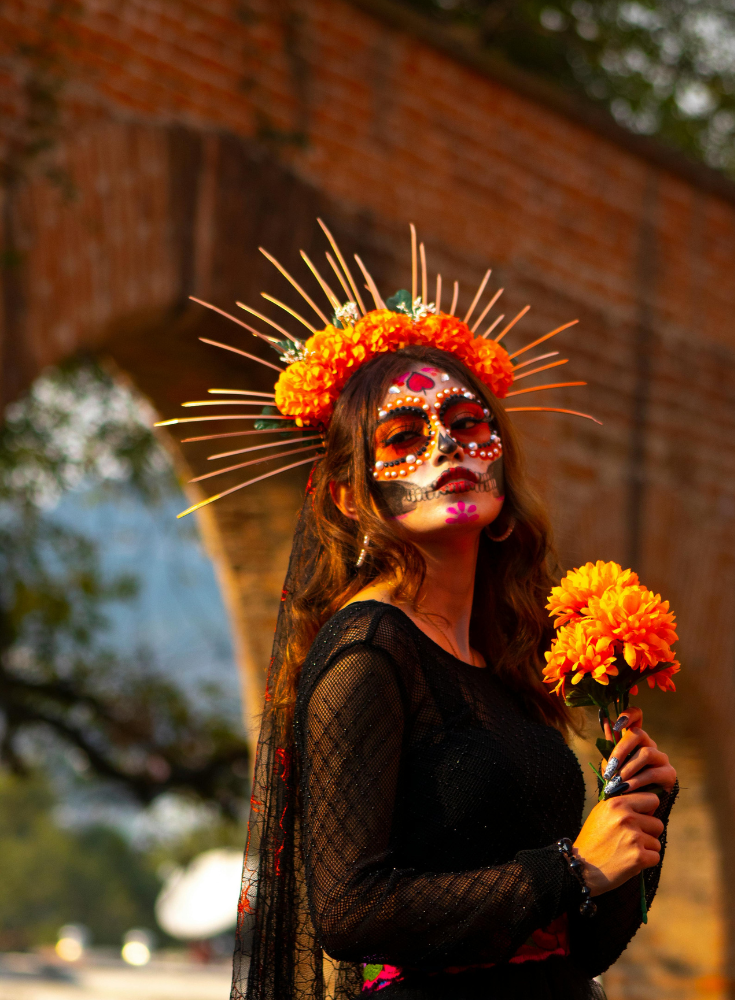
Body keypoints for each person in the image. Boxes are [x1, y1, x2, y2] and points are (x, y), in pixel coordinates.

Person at [166, 227, 677, 1000]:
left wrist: (640, 818)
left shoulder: (505, 659)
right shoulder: (367, 653)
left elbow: (585, 944)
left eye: (471, 426)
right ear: (348, 495)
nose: (449, 449)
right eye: (406, 438)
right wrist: (571, 865)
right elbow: (348, 910)